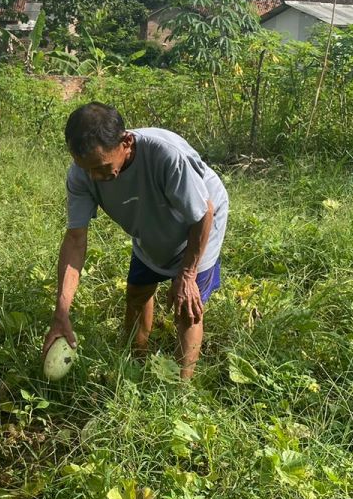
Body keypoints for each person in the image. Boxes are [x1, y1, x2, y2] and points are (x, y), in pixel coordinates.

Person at [43, 103, 229, 379]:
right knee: (137, 294)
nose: (95, 178)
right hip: (148, 222)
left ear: (126, 142)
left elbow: (204, 214)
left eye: (101, 167)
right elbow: (75, 240)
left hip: (200, 221)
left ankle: (182, 389)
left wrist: (187, 274)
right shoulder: (82, 173)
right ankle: (134, 360)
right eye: (87, 169)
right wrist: (61, 311)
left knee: (186, 307)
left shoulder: (166, 156)